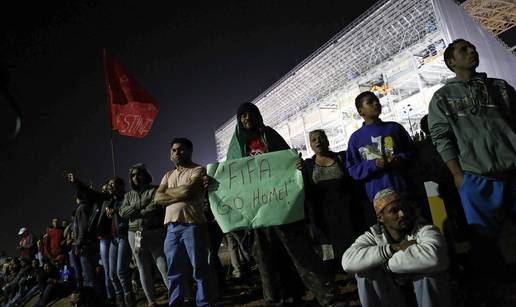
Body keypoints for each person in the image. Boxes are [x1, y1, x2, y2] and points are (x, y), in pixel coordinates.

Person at [225, 102, 338, 306]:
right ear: (239, 120)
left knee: (300, 251)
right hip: (258, 214)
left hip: (282, 208)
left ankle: (325, 294)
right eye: (243, 115)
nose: (247, 118)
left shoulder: (270, 135)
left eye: (251, 114)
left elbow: (288, 159)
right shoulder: (236, 145)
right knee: (265, 259)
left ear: (257, 116)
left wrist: (298, 166)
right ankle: (275, 298)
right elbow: (230, 178)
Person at [428, 39, 516, 237]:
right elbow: (442, 138)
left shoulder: (500, 87)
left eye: (473, 47)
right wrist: (458, 175)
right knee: (488, 244)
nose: (472, 50)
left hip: (513, 172)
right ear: (451, 62)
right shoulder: (442, 98)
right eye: (463, 49)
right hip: (477, 179)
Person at [342, 188, 453, 307]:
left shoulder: (424, 229)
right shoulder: (373, 236)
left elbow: (434, 258)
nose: (402, 214)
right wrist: (393, 248)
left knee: (427, 275)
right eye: (394, 211)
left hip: (424, 296)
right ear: (381, 218)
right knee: (364, 275)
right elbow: (347, 262)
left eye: (403, 208)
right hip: (394, 297)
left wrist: (387, 265)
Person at [154, 137, 214, 306]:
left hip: (193, 224)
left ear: (190, 151)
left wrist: (169, 193)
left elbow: (188, 191)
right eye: (173, 150)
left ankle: (204, 303)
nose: (176, 153)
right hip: (171, 229)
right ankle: (176, 303)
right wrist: (179, 193)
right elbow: (157, 198)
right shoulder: (168, 174)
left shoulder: (198, 170)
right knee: (174, 271)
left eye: (180, 149)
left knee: (199, 269)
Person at [299, 129, 357, 278]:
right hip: (323, 215)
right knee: (329, 249)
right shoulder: (308, 165)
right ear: (310, 145)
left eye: (321, 138)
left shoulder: (341, 158)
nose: (318, 141)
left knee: (350, 243)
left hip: (346, 212)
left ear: (327, 140)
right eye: (313, 140)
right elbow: (304, 189)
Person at [346, 91, 416, 202]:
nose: (376, 103)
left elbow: (412, 151)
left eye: (377, 100)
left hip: (403, 189)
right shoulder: (355, 139)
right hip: (378, 197)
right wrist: (373, 164)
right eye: (370, 102)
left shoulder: (394, 128)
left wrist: (398, 159)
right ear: (360, 111)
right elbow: (353, 169)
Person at [119, 163, 167, 307]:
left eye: (138, 173)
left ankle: (176, 293)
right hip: (134, 234)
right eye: (132, 175)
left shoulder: (155, 189)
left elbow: (155, 206)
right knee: (142, 267)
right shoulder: (128, 195)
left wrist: (136, 211)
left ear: (145, 175)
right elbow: (122, 212)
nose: (135, 177)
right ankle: (151, 301)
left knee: (162, 263)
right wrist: (139, 207)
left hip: (154, 231)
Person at [101, 176, 136, 306]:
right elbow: (105, 208)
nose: (110, 186)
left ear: (120, 186)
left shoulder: (127, 198)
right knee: (111, 274)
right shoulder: (111, 201)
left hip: (124, 236)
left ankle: (130, 300)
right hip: (114, 239)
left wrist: (116, 210)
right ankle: (119, 300)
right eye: (109, 184)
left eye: (112, 184)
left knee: (121, 271)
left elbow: (128, 211)